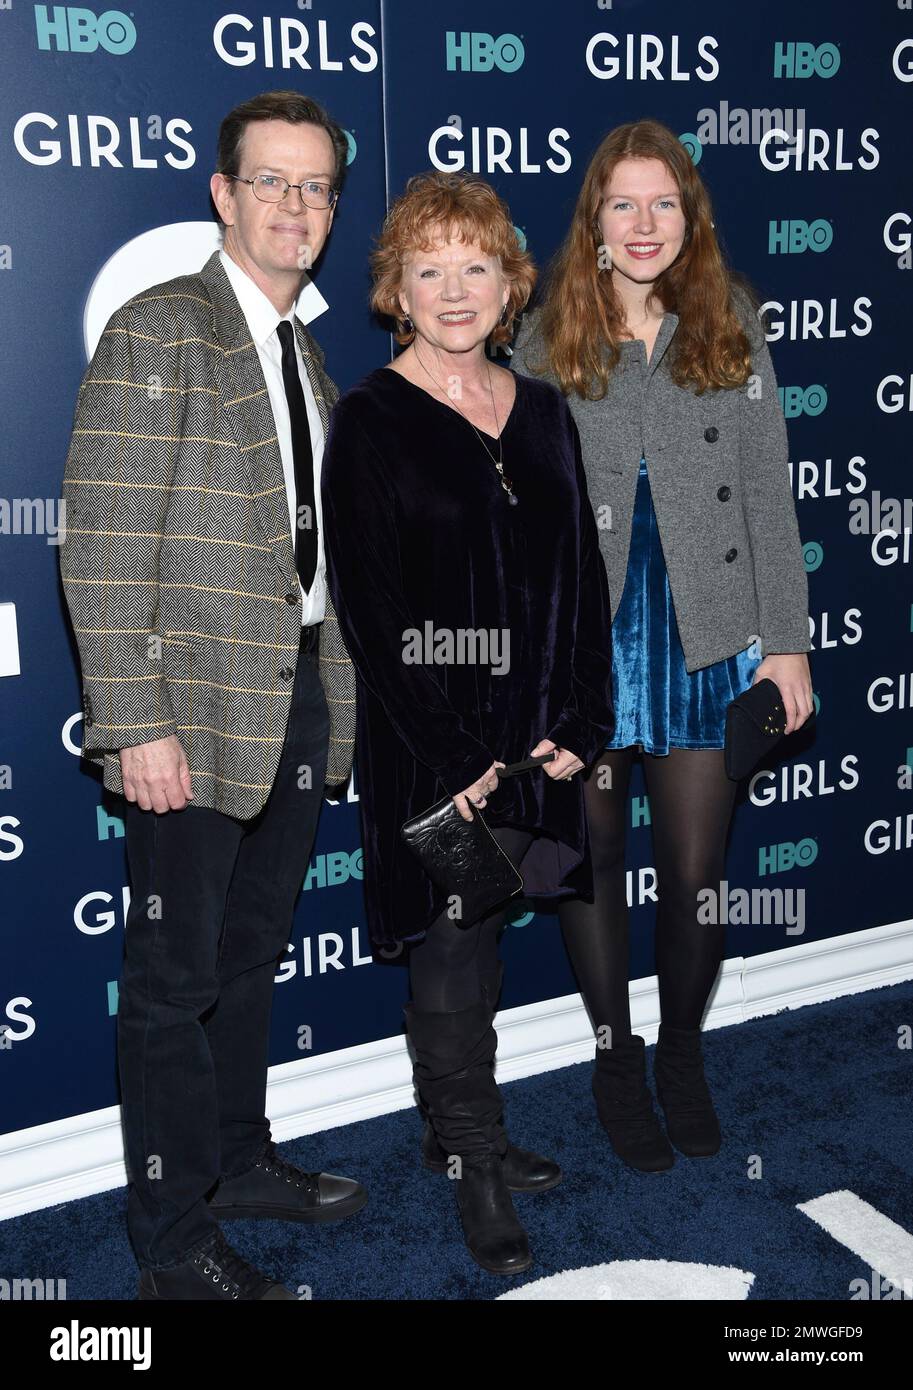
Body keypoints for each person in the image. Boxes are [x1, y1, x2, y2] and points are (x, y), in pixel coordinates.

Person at [60, 90, 365, 1301]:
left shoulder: (304, 350)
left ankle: (238, 1161)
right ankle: (171, 1241)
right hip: (185, 715)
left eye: (318, 188)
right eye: (273, 183)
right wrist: (134, 722)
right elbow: (100, 540)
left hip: (294, 699)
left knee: (248, 958)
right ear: (224, 197)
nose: (298, 206)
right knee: (173, 984)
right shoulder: (164, 327)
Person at [321, 170, 614, 1275]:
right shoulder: (372, 420)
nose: (454, 290)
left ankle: (468, 1126)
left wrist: (582, 715)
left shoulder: (539, 409)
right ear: (395, 286)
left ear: (510, 283)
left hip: (539, 744)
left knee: (490, 941)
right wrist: (458, 761)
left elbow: (580, 575)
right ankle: (474, 1165)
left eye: (475, 267)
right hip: (436, 757)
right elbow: (373, 608)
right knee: (448, 955)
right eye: (428, 269)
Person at [511, 119, 814, 1174]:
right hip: (584, 642)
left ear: (691, 218)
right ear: (594, 221)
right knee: (588, 866)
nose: (643, 225)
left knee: (694, 874)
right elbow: (513, 510)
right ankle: (612, 1060)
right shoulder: (544, 336)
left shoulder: (728, 321)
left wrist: (788, 645)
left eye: (663, 204)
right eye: (622, 204)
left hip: (709, 634)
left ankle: (680, 1057)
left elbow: (770, 494)